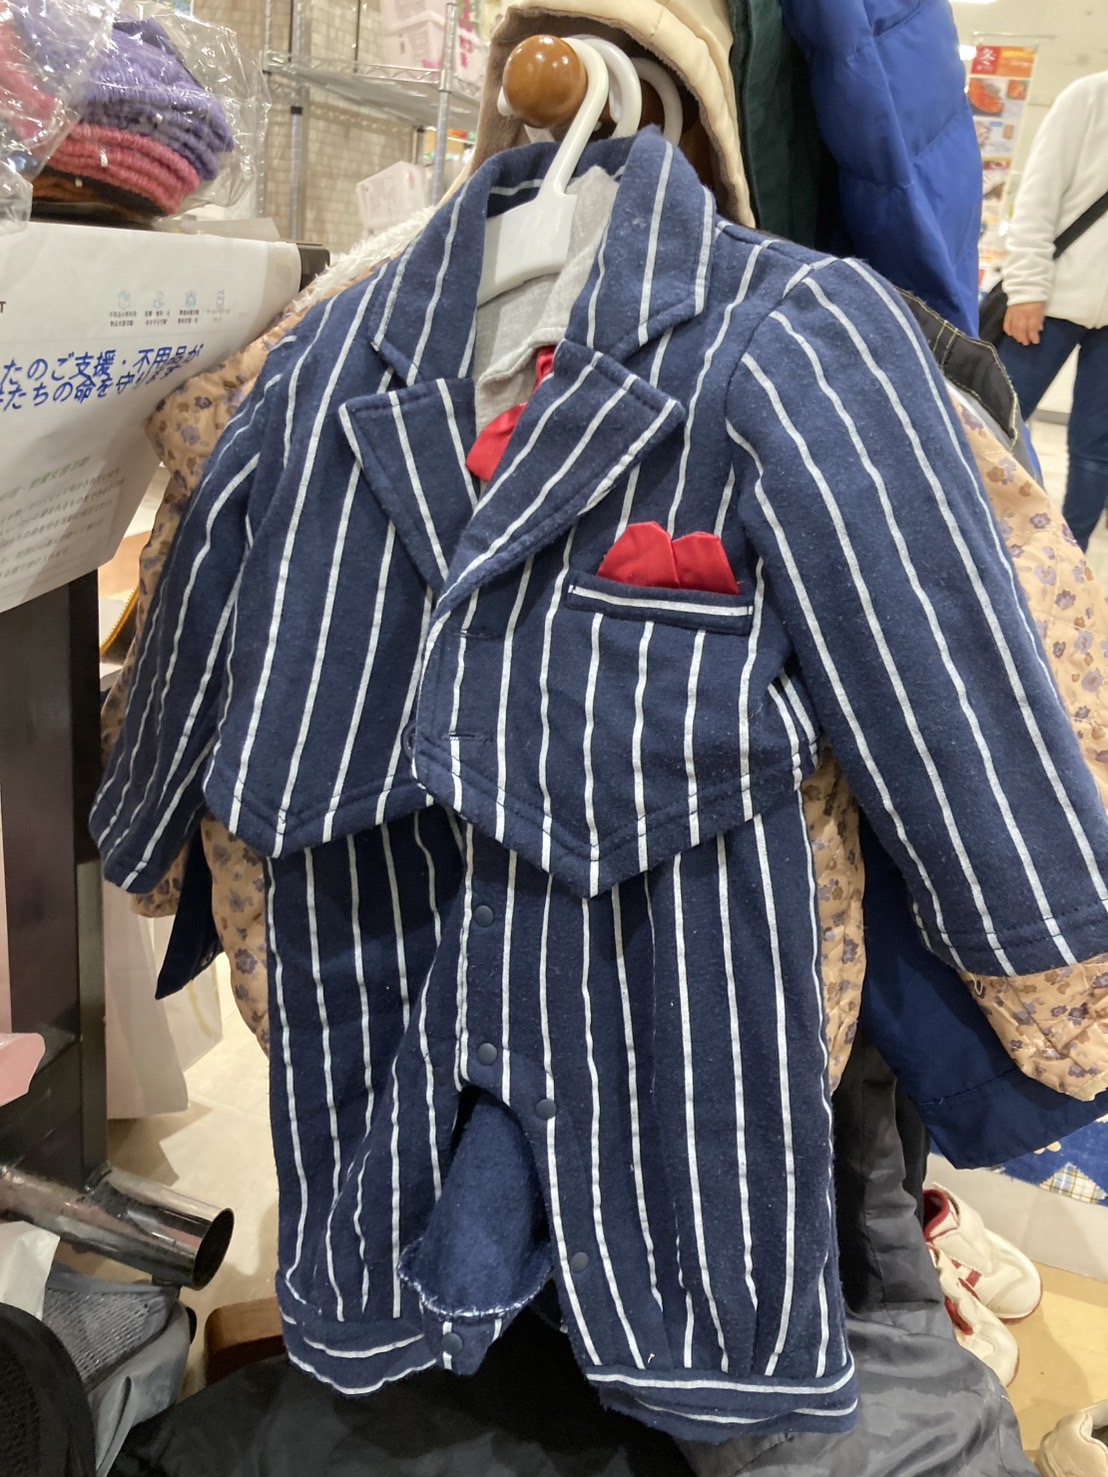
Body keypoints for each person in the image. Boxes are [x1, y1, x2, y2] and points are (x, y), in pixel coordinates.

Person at [999, 70, 1108, 549]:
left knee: (1096, 450)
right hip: (1049, 299)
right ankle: (971, 534)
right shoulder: (1091, 96)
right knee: (993, 425)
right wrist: (1026, 287)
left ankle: (1069, 557)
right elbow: (1038, 196)